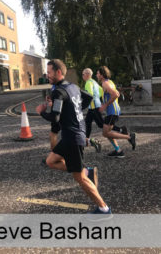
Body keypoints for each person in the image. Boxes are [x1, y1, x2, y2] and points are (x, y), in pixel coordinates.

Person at [36, 59, 112, 216]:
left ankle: (104, 208)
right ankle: (84, 170)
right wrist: (74, 109)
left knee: (80, 178)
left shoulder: (58, 92)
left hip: (72, 137)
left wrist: (42, 112)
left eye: (49, 72)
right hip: (73, 134)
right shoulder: (73, 87)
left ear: (58, 72)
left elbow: (55, 118)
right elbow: (89, 97)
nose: (47, 75)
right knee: (51, 161)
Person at [96, 66, 136, 158]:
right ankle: (118, 151)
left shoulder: (105, 83)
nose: (96, 75)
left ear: (102, 75)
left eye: (98, 73)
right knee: (108, 132)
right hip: (112, 111)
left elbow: (116, 94)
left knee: (105, 133)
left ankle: (129, 137)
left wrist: (105, 105)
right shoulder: (109, 82)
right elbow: (115, 92)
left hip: (112, 111)